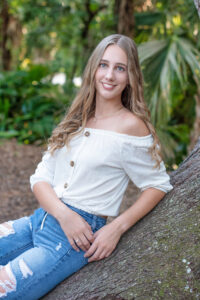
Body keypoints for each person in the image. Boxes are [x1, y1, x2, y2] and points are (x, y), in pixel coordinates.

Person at [0, 34, 173, 299]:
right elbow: (40, 177)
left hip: (72, 241)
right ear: (93, 69)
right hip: (40, 221)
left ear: (130, 77)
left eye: (120, 68)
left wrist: (116, 228)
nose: (110, 76)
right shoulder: (78, 117)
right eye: (103, 65)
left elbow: (157, 184)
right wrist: (64, 215)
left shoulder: (132, 127)